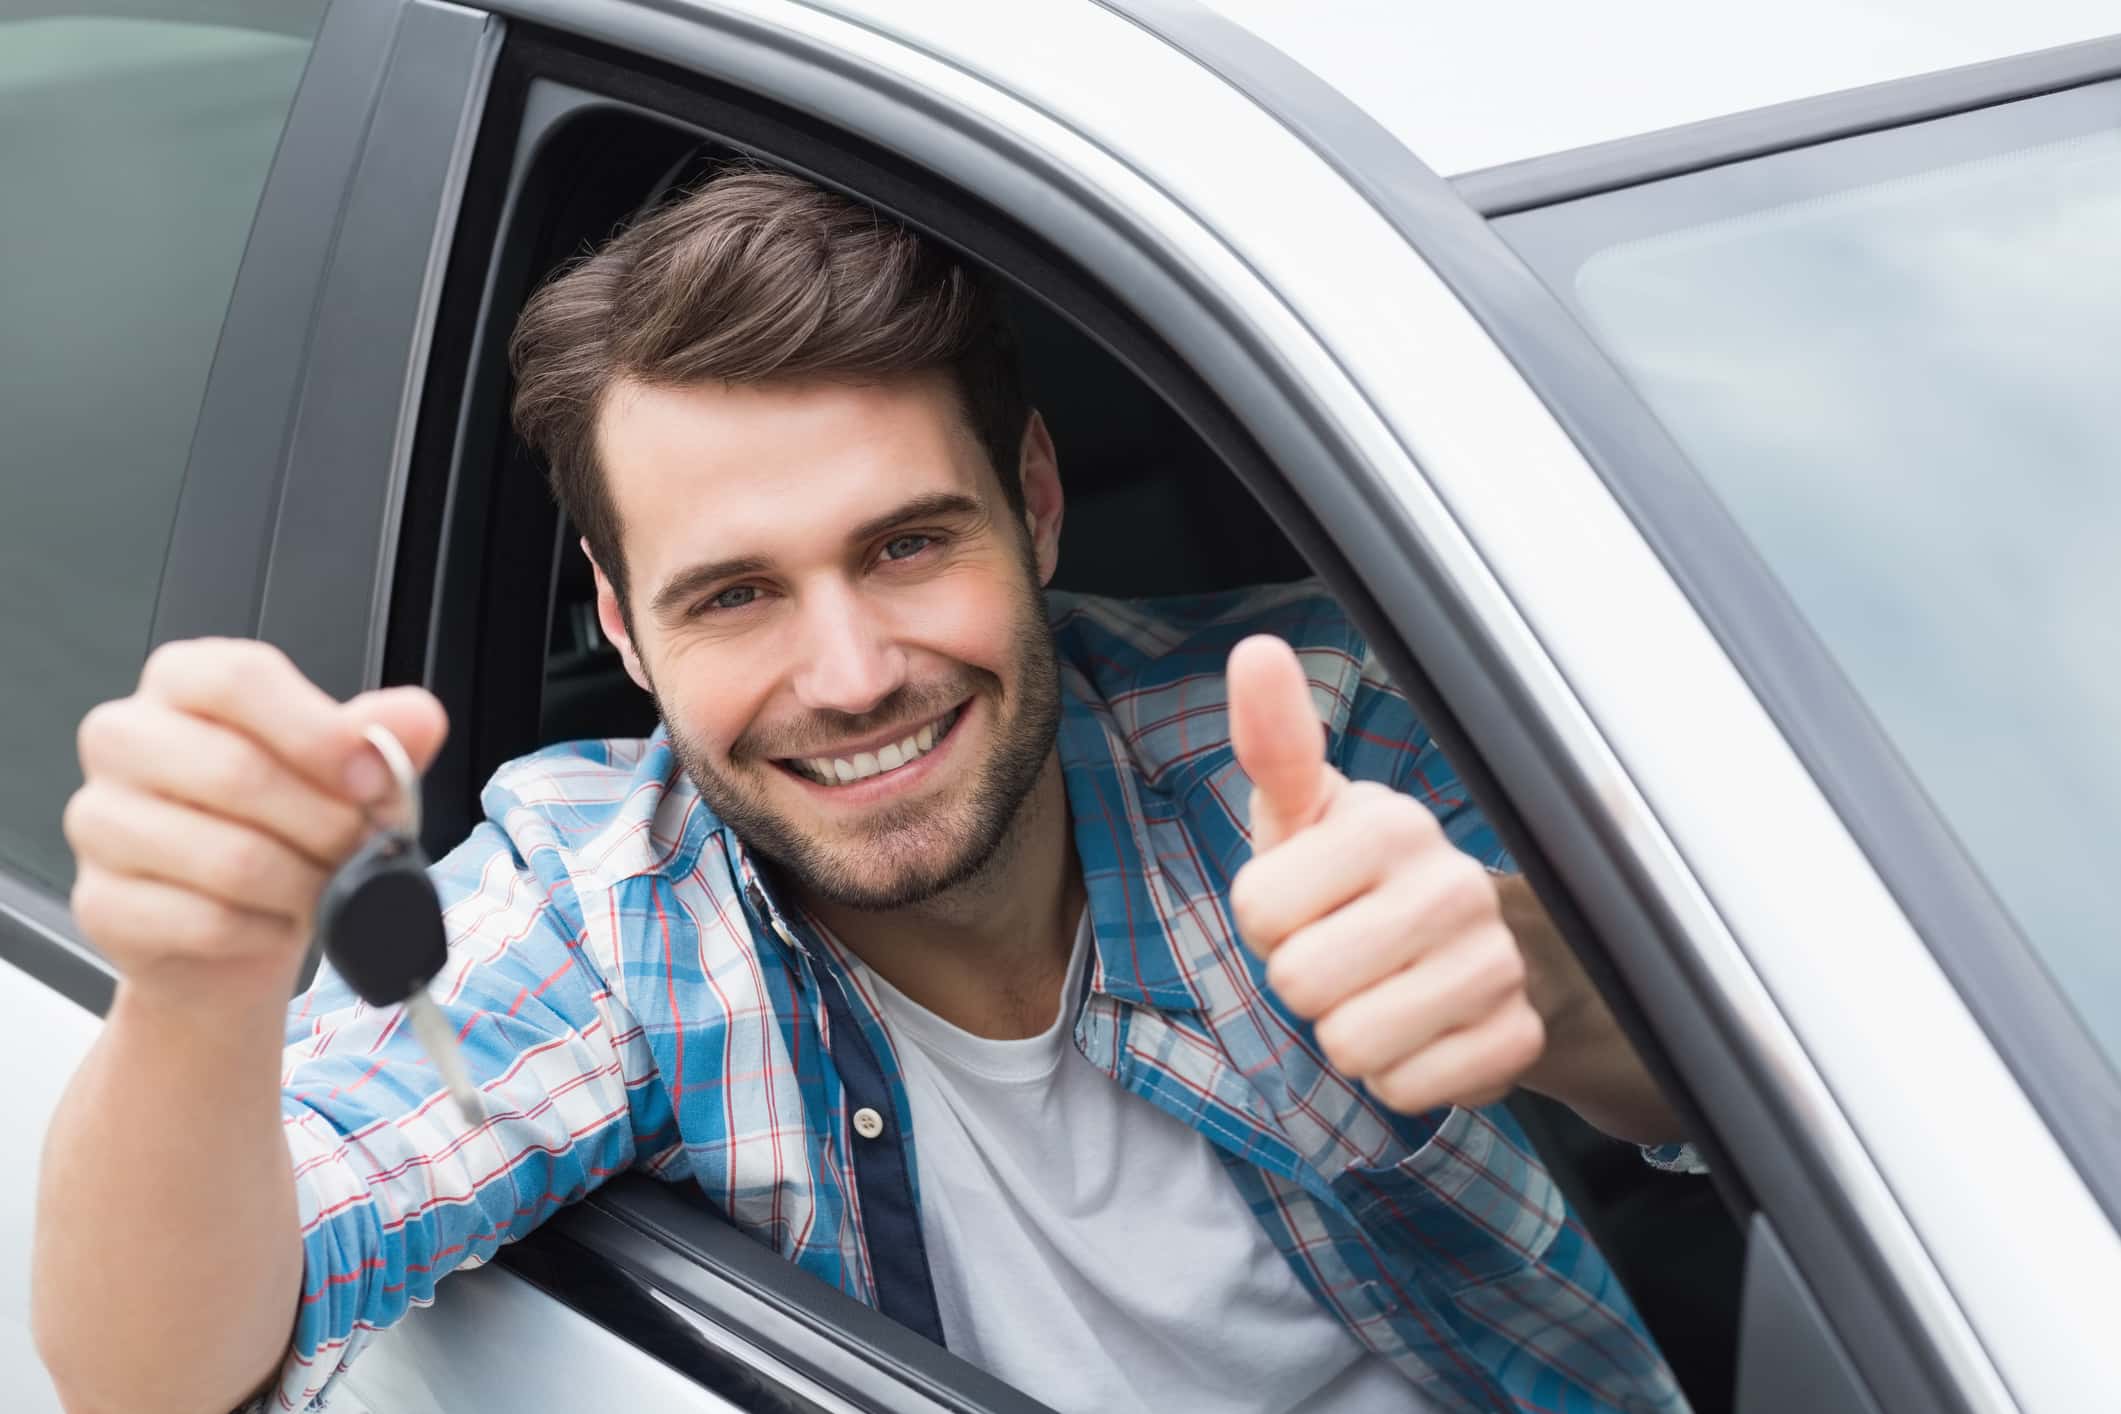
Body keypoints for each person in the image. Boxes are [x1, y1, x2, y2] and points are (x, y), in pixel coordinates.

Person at [33, 169, 1695, 1414]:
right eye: (734, 593)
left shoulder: (1301, 734)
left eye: (906, 545)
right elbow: (153, 1372)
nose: (846, 673)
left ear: (1033, 502)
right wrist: (194, 993)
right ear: (623, 622)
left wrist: (1540, 982)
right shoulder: (612, 912)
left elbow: (1717, 1075)